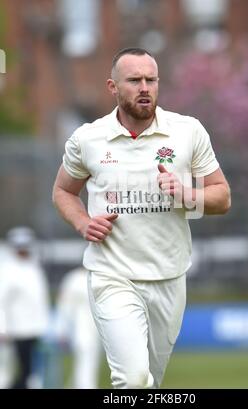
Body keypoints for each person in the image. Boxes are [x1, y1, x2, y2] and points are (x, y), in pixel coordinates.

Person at [52, 47, 231, 389]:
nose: (145, 87)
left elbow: (222, 197)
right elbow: (63, 191)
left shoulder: (187, 131)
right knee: (133, 380)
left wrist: (186, 194)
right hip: (112, 274)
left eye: (151, 79)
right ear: (113, 87)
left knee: (152, 380)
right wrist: (83, 222)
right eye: (134, 80)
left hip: (169, 276)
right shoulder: (88, 138)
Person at [0, 227, 50, 389]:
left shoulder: (34, 268)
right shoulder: (7, 271)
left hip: (35, 329)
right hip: (16, 330)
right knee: (20, 371)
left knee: (31, 372)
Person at [54, 266, 104, 388]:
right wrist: (62, 330)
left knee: (89, 363)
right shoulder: (74, 279)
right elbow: (64, 306)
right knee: (86, 363)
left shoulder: (100, 276)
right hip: (80, 327)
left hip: (96, 329)